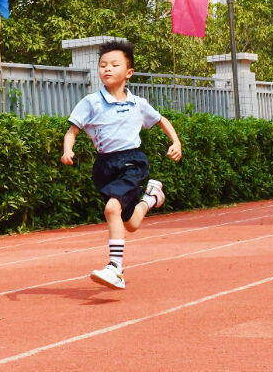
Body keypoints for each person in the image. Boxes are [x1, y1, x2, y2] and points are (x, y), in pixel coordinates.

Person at [61, 40, 182, 289]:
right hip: (105, 166)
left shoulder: (138, 103)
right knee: (131, 223)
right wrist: (67, 150)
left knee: (111, 209)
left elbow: (161, 120)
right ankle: (151, 197)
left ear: (128, 73)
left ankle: (115, 267)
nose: (107, 69)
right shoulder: (91, 102)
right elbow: (72, 131)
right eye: (103, 65)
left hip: (132, 161)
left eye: (114, 65)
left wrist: (176, 142)